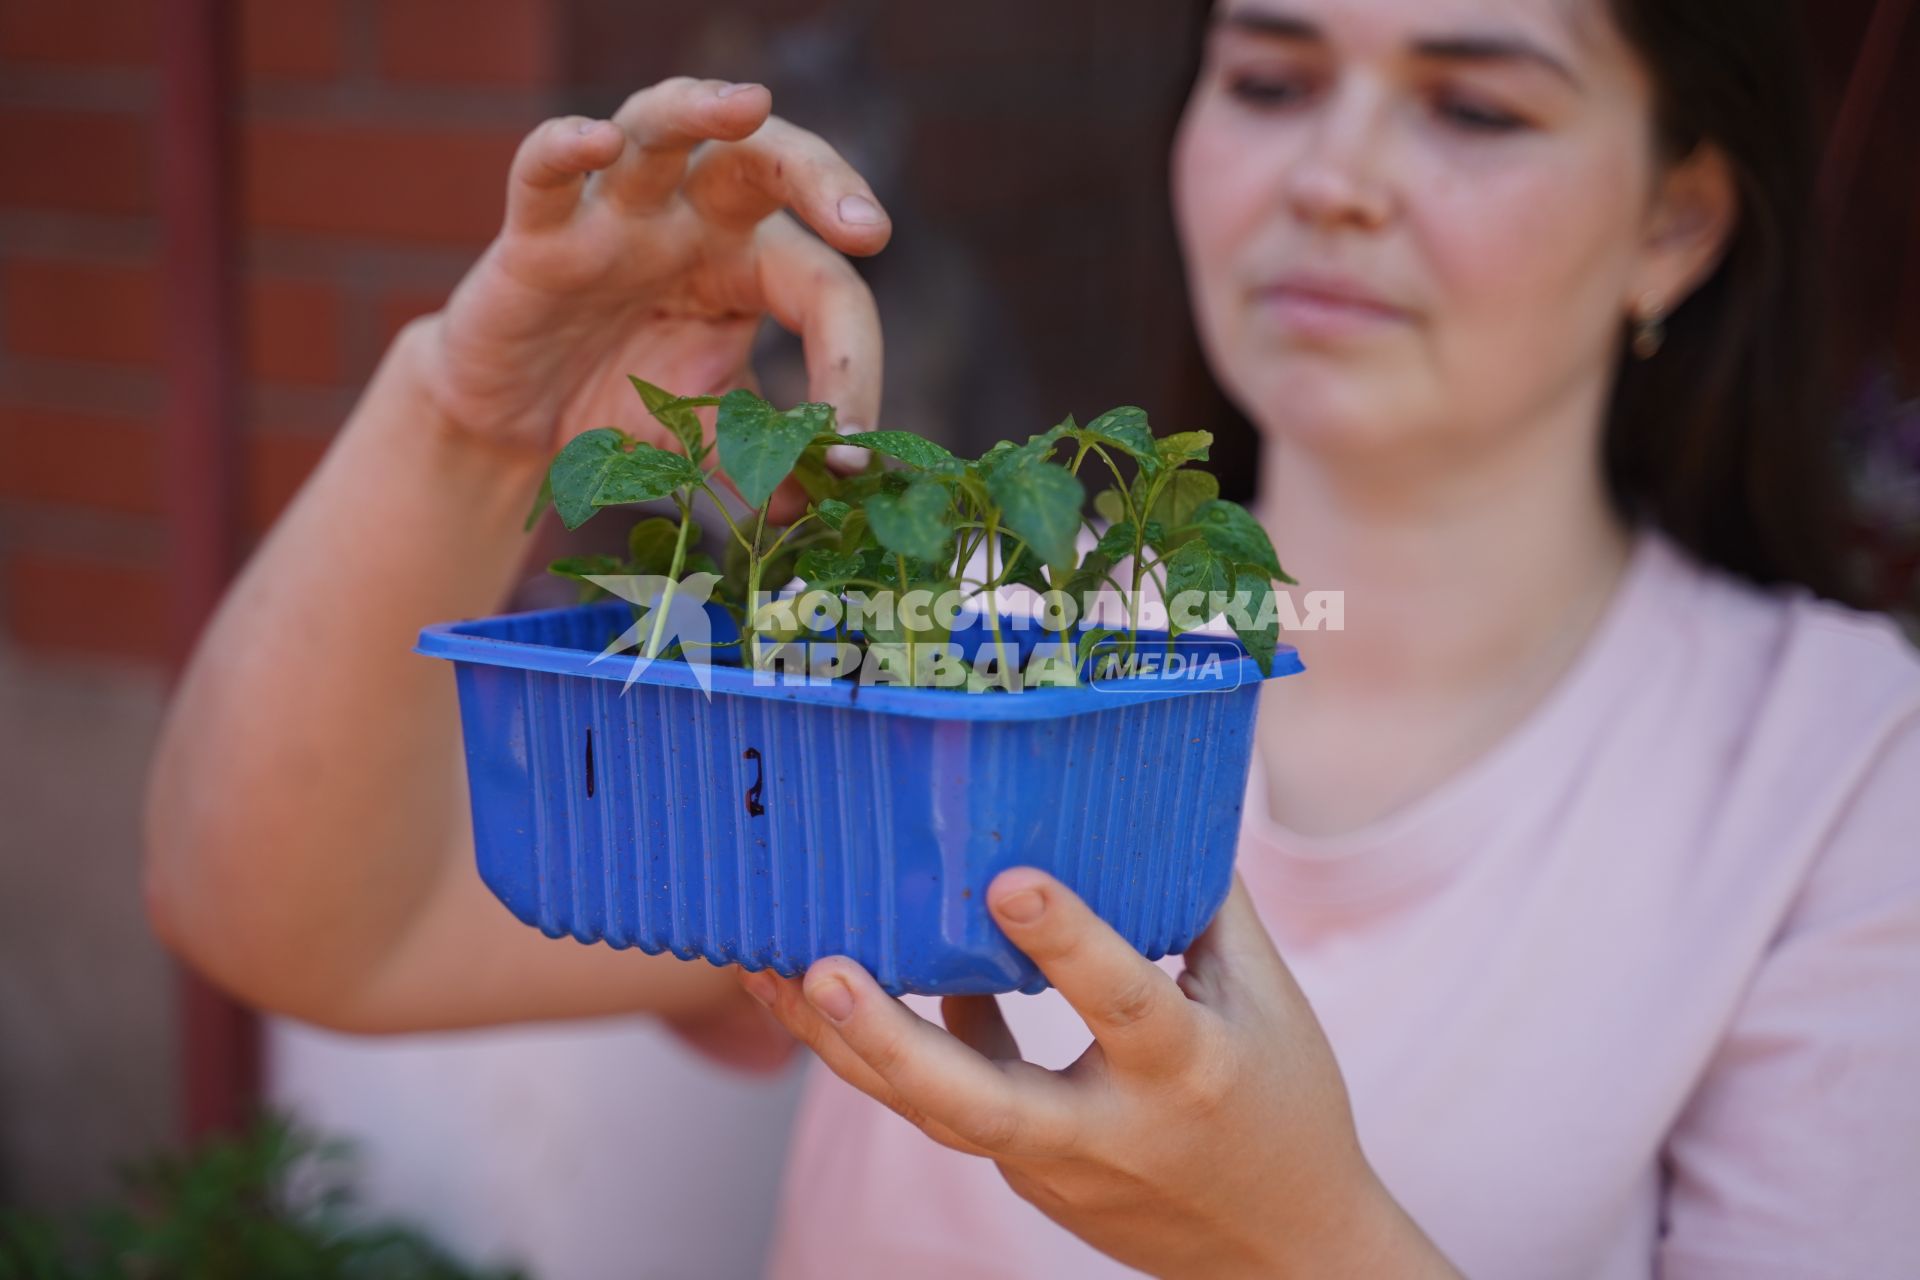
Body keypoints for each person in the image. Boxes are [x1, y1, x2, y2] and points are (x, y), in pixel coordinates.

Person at [144, 0, 1920, 1275]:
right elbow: (299, 919)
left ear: (1678, 217)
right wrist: (482, 405)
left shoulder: (1835, 768)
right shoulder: (956, 636)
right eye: (1272, 76)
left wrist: (1294, 1250)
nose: (1336, 178)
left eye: (1478, 105)